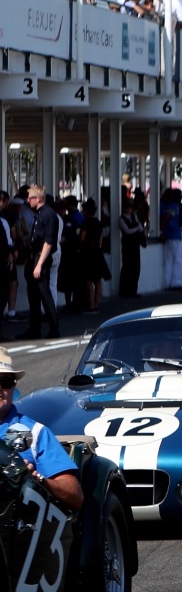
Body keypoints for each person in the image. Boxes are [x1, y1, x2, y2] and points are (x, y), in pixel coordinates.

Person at [0, 349, 81, 512]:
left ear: (14, 385)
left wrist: (38, 480)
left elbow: (75, 496)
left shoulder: (35, 432)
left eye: (5, 382)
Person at [19, 186, 61, 339]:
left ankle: (54, 328)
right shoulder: (38, 214)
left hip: (41, 258)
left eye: (30, 197)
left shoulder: (49, 215)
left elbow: (48, 242)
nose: (27, 200)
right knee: (33, 295)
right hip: (33, 256)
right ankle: (34, 329)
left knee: (44, 294)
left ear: (39, 198)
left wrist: (39, 264)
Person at [158, 185, 182, 289]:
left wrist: (161, 231)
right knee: (179, 260)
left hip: (168, 235)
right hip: (174, 234)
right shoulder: (174, 206)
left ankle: (168, 282)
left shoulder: (164, 205)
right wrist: (161, 229)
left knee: (169, 260)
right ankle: (175, 283)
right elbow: (166, 218)